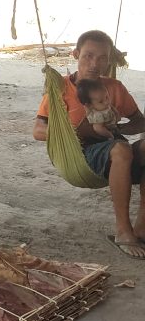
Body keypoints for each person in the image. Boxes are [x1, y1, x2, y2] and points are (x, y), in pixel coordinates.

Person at [33, 29, 145, 258]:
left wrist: (117, 129)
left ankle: (141, 228)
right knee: (122, 149)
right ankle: (123, 232)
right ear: (76, 54)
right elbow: (38, 130)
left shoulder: (114, 88)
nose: (95, 63)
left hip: (113, 152)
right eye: (88, 56)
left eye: (103, 57)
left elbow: (140, 122)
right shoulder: (60, 89)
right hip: (79, 157)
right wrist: (74, 133)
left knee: (127, 148)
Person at [76, 78, 126, 142]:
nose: (106, 102)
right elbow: (98, 129)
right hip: (103, 136)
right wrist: (110, 135)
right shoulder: (98, 115)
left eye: (107, 97)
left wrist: (117, 116)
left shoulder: (105, 106)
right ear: (89, 105)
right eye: (101, 101)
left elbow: (115, 113)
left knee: (126, 143)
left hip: (113, 129)